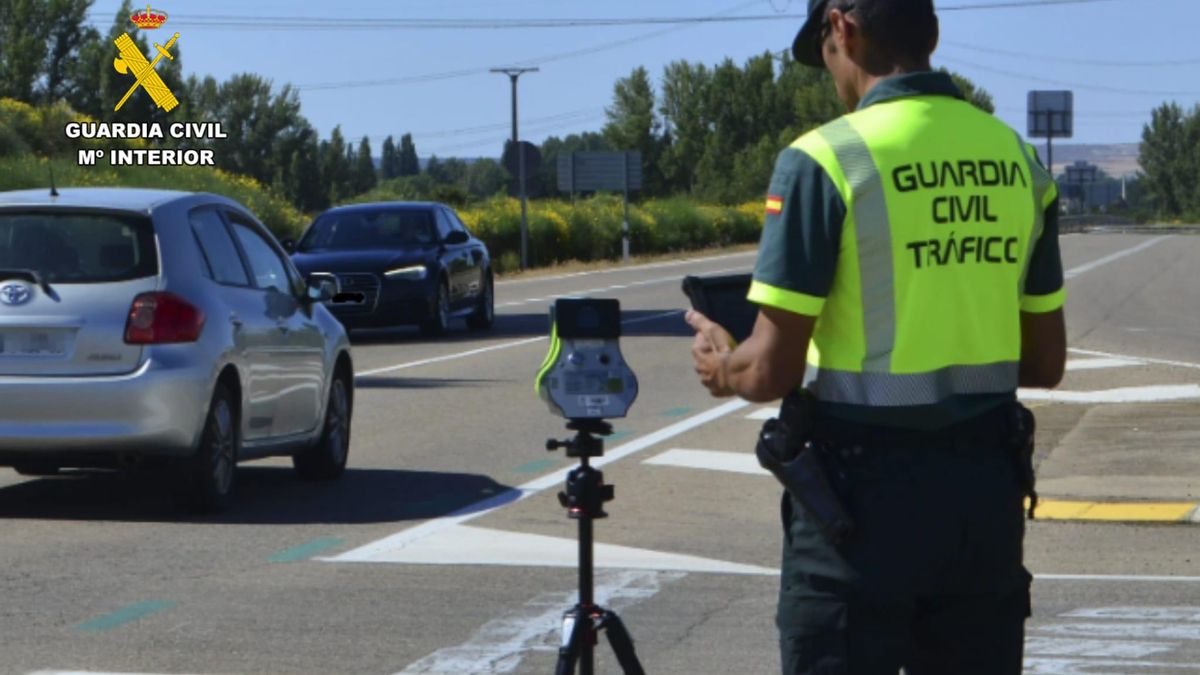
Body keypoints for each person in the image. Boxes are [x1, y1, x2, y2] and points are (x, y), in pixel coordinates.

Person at [685, 0, 1067, 672]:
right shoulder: (1017, 158)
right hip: (982, 505)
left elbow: (770, 370)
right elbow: (1045, 359)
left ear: (841, 28)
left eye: (826, 54)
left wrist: (723, 364)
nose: (830, 74)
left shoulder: (823, 160)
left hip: (854, 510)